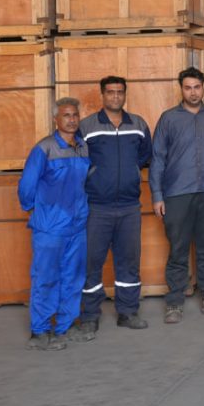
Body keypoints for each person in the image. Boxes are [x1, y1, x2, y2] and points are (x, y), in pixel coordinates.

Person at [150, 67, 204, 324]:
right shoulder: (169, 119)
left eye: (197, 87)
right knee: (178, 249)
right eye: (188, 88)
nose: (193, 92)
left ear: (203, 87)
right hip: (177, 193)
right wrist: (157, 195)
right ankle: (174, 302)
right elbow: (157, 158)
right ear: (181, 89)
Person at [70, 77, 152, 343]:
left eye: (120, 92)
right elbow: (78, 160)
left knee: (129, 261)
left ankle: (127, 312)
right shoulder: (87, 126)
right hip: (97, 207)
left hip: (129, 207)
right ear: (102, 95)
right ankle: (89, 316)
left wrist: (130, 171)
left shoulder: (138, 124)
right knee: (91, 262)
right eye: (110, 92)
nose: (115, 97)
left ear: (125, 94)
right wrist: (96, 177)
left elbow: (145, 156)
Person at [18, 98, 91, 350]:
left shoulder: (83, 147)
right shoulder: (44, 148)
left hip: (77, 226)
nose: (71, 120)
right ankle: (39, 332)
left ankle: (65, 327)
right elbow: (26, 187)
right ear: (55, 120)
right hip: (50, 229)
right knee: (46, 278)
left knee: (73, 277)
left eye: (75, 115)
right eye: (66, 115)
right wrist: (38, 211)